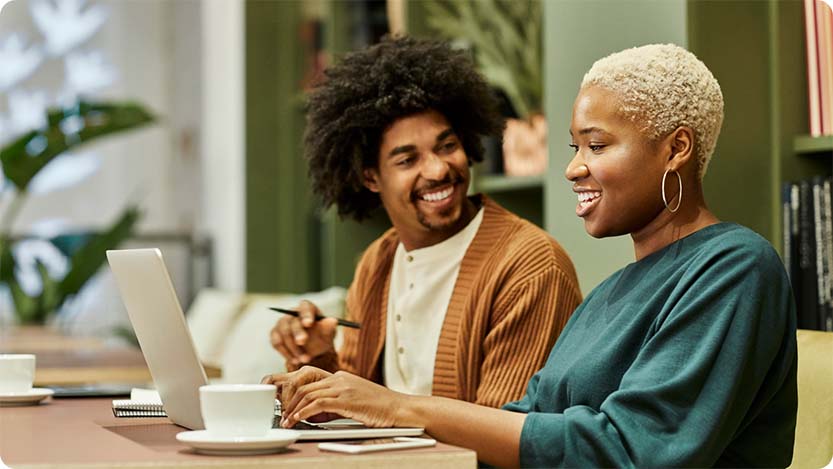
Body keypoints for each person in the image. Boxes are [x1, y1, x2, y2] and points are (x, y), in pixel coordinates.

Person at [264, 43, 798, 468]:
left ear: (676, 149)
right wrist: (341, 393)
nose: (573, 168)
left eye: (598, 145)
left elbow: (634, 451)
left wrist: (398, 407)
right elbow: (521, 426)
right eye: (575, 148)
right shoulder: (610, 294)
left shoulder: (735, 267)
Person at [269, 36, 582, 409]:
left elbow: (507, 435)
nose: (437, 170)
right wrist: (317, 357)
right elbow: (354, 409)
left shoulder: (529, 266)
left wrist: (387, 410)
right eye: (407, 160)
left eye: (447, 146)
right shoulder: (377, 263)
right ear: (370, 178)